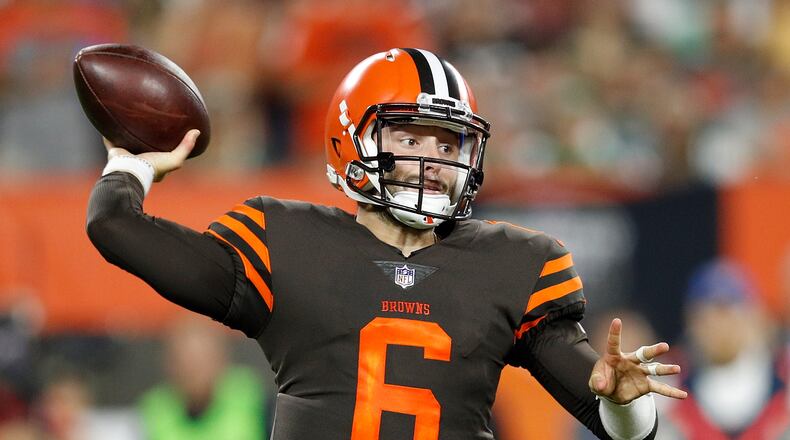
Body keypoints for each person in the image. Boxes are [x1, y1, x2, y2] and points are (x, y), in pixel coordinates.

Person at [86, 48, 686, 439]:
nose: (432, 161)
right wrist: (134, 164)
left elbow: (617, 426)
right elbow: (116, 229)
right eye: (412, 137)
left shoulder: (517, 264)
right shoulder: (284, 241)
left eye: (448, 146)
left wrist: (627, 402)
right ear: (352, 139)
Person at [659, 258, 789, 439]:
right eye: (705, 316)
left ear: (754, 314)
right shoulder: (668, 386)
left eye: (725, 311)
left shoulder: (784, 379)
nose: (717, 325)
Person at [139, 314, 267, 440]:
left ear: (221, 359)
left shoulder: (251, 399)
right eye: (185, 361)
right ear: (170, 365)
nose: (193, 371)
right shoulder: (155, 411)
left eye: (201, 360)